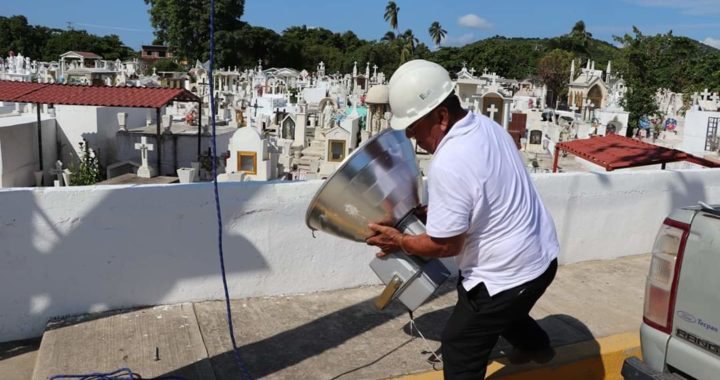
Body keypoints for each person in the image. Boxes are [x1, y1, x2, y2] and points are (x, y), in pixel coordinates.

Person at [365, 60, 559, 379]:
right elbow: (483, 197)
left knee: (460, 341)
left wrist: (398, 241)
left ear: (441, 117)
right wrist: (435, 213)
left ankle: (535, 346)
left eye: (415, 129)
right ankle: (537, 347)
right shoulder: (486, 127)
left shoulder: (449, 161)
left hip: (510, 272)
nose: (414, 139)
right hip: (542, 258)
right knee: (495, 308)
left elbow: (446, 245)